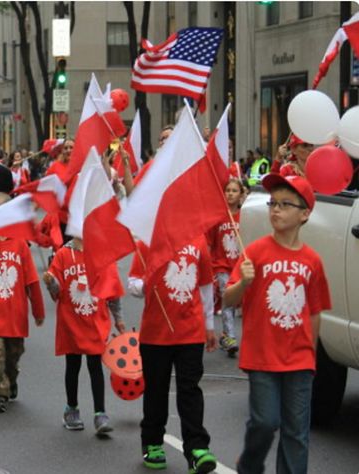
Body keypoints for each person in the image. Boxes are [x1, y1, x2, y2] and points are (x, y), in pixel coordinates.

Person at [223, 174, 331, 474]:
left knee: (297, 432)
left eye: (285, 204)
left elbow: (315, 311)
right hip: (262, 358)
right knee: (265, 421)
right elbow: (228, 301)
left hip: (299, 360)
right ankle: (249, 463)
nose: (276, 210)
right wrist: (243, 283)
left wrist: (310, 354)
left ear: (305, 213)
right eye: (273, 203)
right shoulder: (255, 252)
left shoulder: (312, 260)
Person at [128, 237, 218, 473]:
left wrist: (209, 324)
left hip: (191, 331)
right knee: (156, 390)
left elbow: (206, 286)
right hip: (155, 334)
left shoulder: (198, 243)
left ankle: (197, 448)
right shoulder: (147, 241)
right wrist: (144, 285)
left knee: (190, 389)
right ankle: (152, 442)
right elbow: (133, 283)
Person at [43, 237, 125, 435]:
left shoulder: (102, 253)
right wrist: (50, 282)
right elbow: (57, 292)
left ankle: (100, 413)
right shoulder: (63, 254)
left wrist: (119, 319)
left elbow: (112, 291)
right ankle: (71, 409)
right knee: (73, 364)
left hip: (95, 320)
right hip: (71, 321)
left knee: (95, 364)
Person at [0, 192, 45, 413]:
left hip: (15, 313)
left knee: (13, 354)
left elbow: (31, 281)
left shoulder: (20, 244)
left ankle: (10, 380)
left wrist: (38, 311)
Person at [206, 178, 245, 357]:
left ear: (241, 195)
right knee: (227, 301)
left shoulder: (245, 216)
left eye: (234, 190)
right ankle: (230, 337)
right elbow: (209, 242)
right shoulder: (218, 216)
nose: (230, 193)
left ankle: (224, 336)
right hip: (221, 266)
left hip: (240, 267)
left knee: (242, 303)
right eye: (227, 190)